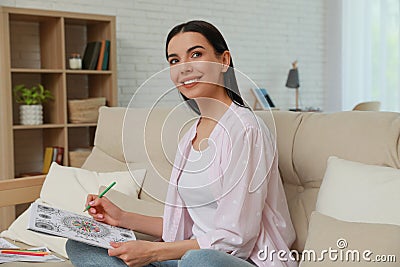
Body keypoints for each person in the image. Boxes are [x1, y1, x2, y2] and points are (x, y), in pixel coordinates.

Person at [66, 20, 297, 267]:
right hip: (189, 256)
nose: (184, 68)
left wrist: (154, 253)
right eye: (174, 61)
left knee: (199, 260)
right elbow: (180, 227)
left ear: (224, 61)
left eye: (195, 54)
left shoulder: (245, 130)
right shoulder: (190, 136)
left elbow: (236, 239)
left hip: (240, 260)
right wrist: (121, 217)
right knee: (81, 244)